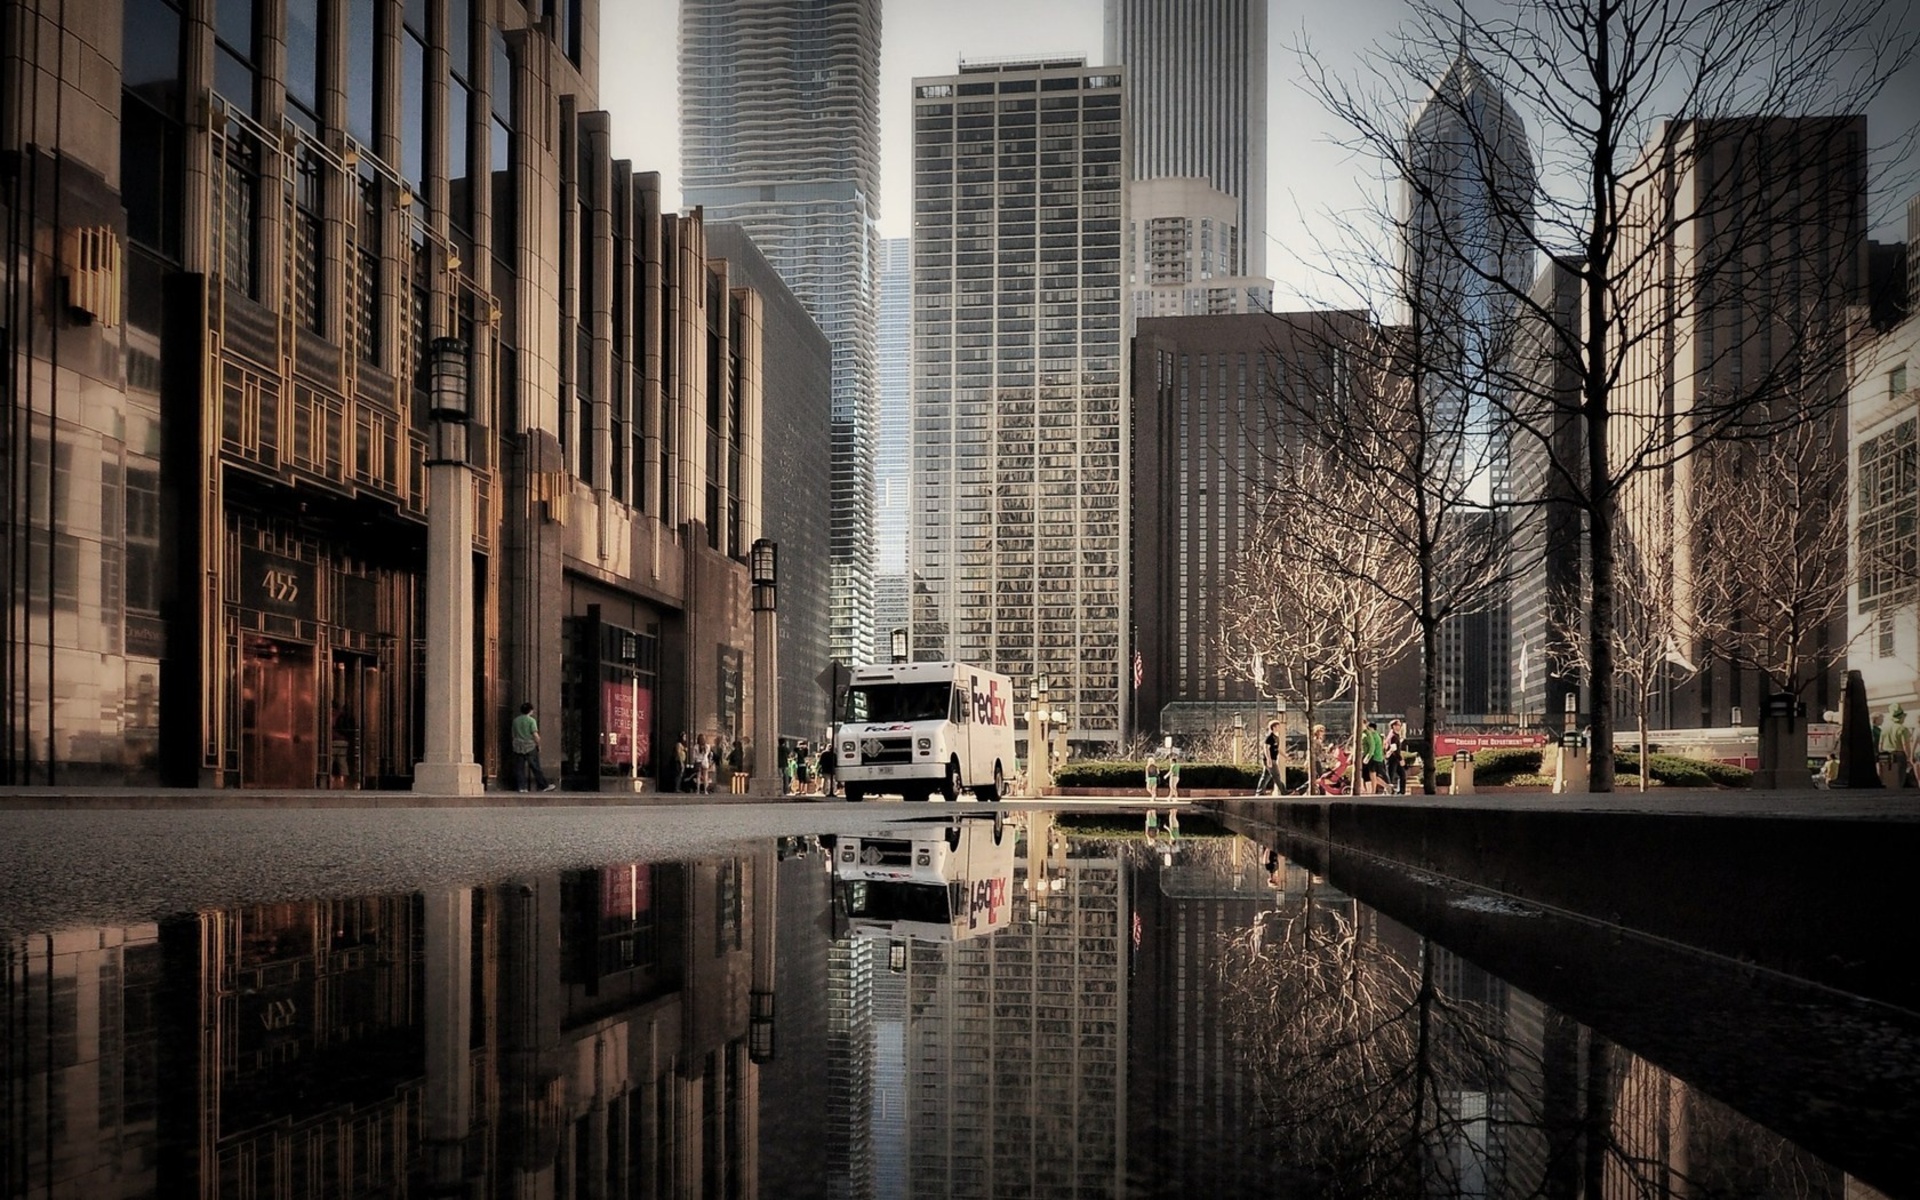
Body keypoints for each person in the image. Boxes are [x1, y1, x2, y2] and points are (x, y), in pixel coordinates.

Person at [511, 702, 557, 792]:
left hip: (518, 746)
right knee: (535, 767)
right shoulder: (531, 721)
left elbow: (513, 734)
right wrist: (539, 745)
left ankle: (522, 787)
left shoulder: (515, 720)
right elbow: (535, 734)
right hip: (529, 746)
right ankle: (543, 785)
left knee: (519, 768)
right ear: (530, 710)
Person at [1254, 719, 1283, 796]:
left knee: (1266, 776)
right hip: (1270, 760)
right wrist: (1269, 759)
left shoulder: (1276, 738)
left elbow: (1278, 748)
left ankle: (1259, 792)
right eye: (1278, 726)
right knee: (1276, 776)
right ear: (1273, 727)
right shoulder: (1269, 737)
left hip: (1273, 759)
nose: (1279, 728)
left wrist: (1285, 756)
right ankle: (1284, 791)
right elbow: (1266, 748)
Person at [1888, 707, 1915, 787]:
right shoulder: (1903, 729)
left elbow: (1881, 744)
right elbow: (1905, 744)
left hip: (1887, 754)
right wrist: (1909, 757)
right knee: (1900, 777)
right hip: (1900, 754)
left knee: (1889, 777)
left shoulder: (1886, 729)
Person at [1359, 721, 1386, 795]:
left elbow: (1372, 747)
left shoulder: (1371, 735)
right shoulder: (1376, 735)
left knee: (1372, 776)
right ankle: (1386, 787)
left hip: (1373, 758)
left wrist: (1368, 756)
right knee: (1373, 776)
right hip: (1377, 757)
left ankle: (1373, 791)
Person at [1384, 718, 1407, 794]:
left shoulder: (1395, 735)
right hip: (1392, 759)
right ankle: (1388, 791)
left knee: (1402, 775)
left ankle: (1401, 791)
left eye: (1400, 725)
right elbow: (1394, 749)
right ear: (1393, 726)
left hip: (1395, 759)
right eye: (1397, 725)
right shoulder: (1393, 736)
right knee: (1391, 775)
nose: (1399, 727)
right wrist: (1400, 759)